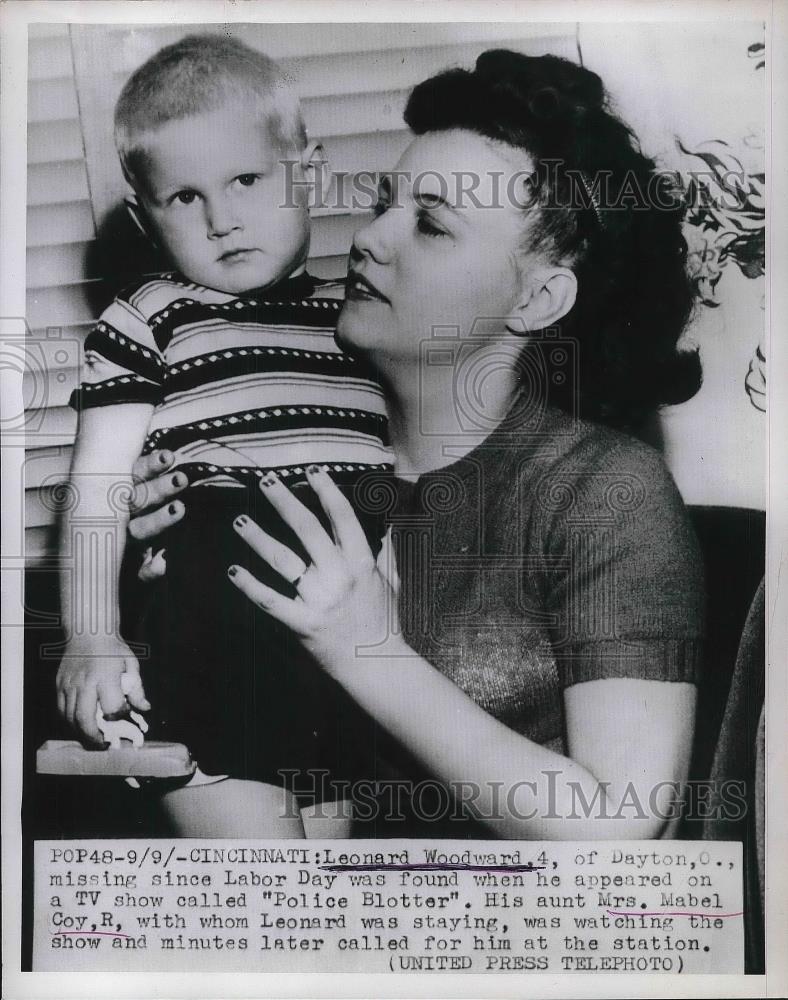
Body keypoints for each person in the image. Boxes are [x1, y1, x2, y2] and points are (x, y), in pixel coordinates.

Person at [128, 50, 705, 839]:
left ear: (539, 297)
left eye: (431, 224)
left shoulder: (607, 490)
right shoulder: (256, 442)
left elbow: (621, 832)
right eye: (383, 204)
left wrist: (367, 650)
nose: (368, 241)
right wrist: (153, 576)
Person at [55, 34, 392, 837]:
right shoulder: (150, 317)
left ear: (307, 171)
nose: (222, 219)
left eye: (246, 179)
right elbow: (98, 487)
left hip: (348, 658)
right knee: (270, 909)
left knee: (327, 913)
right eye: (185, 197)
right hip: (215, 647)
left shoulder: (358, 320)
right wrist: (92, 638)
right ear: (145, 215)